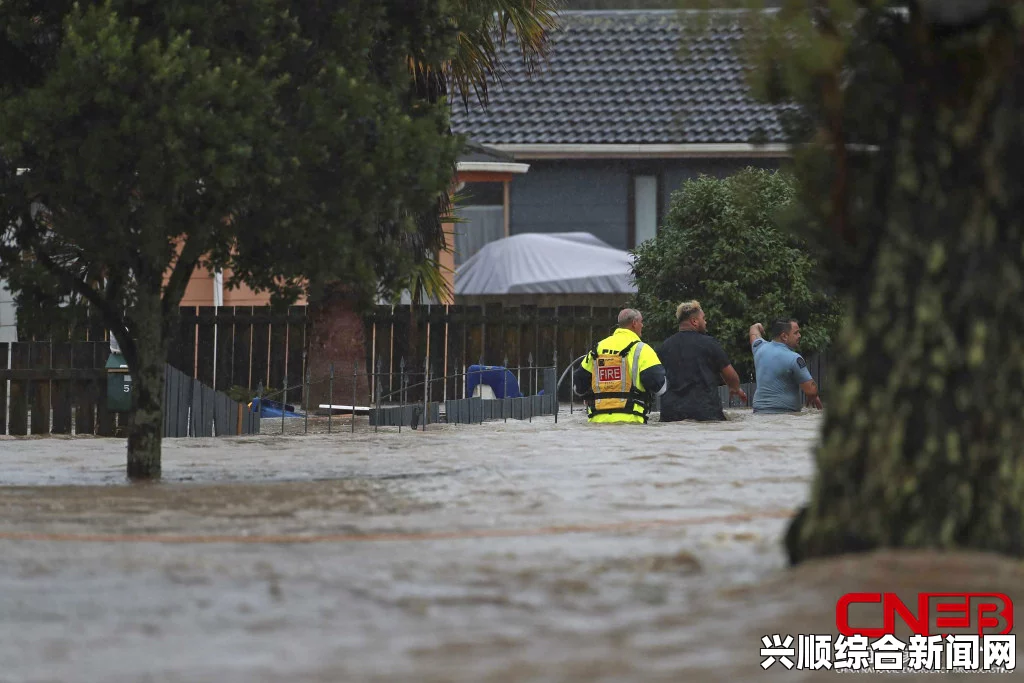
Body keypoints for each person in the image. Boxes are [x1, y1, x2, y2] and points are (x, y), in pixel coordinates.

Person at [573, 308, 667, 424]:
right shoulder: (642, 350)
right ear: (634, 323)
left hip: (597, 424)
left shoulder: (598, 348)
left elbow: (578, 387)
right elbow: (660, 387)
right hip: (632, 422)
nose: (642, 325)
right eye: (641, 322)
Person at [657, 301, 747, 422]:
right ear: (694, 321)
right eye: (703, 318)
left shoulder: (664, 346)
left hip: (671, 414)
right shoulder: (709, 344)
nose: (705, 322)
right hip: (705, 413)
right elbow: (731, 375)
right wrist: (735, 388)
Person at [749, 318, 822, 413]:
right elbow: (811, 390)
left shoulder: (759, 347)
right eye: (796, 333)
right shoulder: (794, 358)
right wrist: (814, 394)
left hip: (758, 414)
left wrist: (756, 326)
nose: (799, 336)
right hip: (785, 416)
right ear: (784, 336)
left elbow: (753, 332)